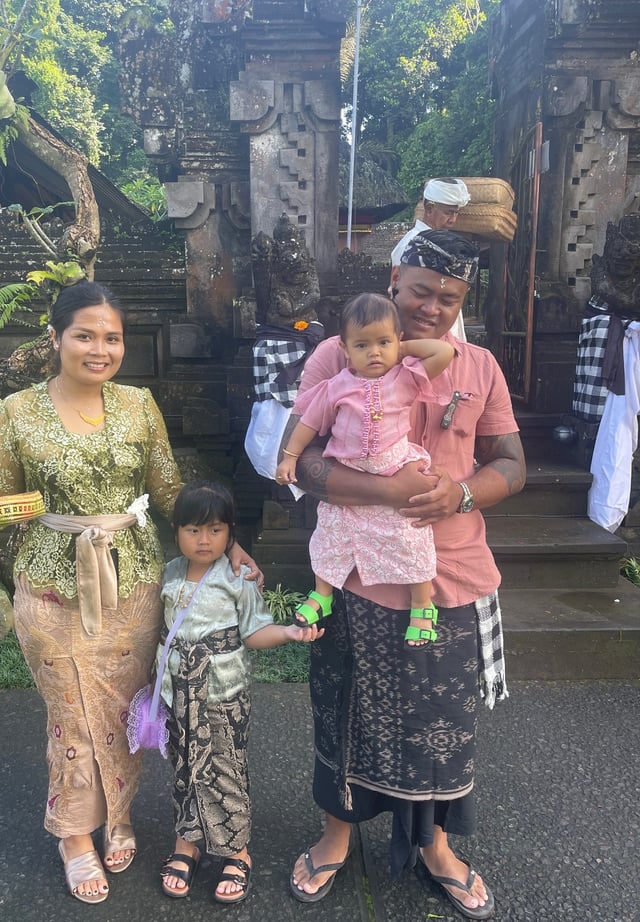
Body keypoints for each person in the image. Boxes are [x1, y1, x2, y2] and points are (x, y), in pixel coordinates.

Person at [0, 279, 261, 906]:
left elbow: (173, 490)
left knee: (126, 713)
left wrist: (224, 539)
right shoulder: (13, 412)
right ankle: (74, 833)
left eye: (112, 337)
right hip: (48, 582)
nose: (100, 348)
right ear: (56, 337)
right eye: (85, 335)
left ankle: (118, 814)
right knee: (70, 712)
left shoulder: (138, 405)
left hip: (135, 580)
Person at [286, 230, 526, 920]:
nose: (431, 308)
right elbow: (300, 462)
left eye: (448, 299)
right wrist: (385, 493)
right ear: (396, 279)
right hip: (356, 572)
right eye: (421, 290)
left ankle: (435, 846)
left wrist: (464, 493)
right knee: (343, 710)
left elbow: (510, 462)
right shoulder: (341, 351)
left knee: (442, 722)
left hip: (447, 573)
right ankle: (336, 836)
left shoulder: (479, 367)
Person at [155, 481, 322, 904]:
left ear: (231, 532)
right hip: (178, 694)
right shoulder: (169, 572)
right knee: (183, 768)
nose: (204, 539)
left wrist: (286, 631)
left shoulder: (237, 578)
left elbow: (253, 632)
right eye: (193, 530)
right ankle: (186, 842)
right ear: (176, 531)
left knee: (224, 769)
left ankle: (236, 850)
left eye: (214, 529)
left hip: (222, 694)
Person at [274, 293, 455, 647]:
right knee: (329, 534)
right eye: (362, 345)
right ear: (344, 348)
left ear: (398, 341)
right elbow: (309, 423)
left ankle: (422, 604)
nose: (374, 353)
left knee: (411, 536)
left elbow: (443, 353)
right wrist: (290, 457)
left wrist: (399, 350)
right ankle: (322, 593)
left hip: (394, 469)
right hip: (349, 474)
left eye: (383, 342)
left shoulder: (405, 377)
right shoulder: (337, 385)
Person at [391, 178, 472, 340]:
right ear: (429, 209)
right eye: (448, 212)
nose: (453, 220)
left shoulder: (448, 243)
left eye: (456, 213)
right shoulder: (412, 243)